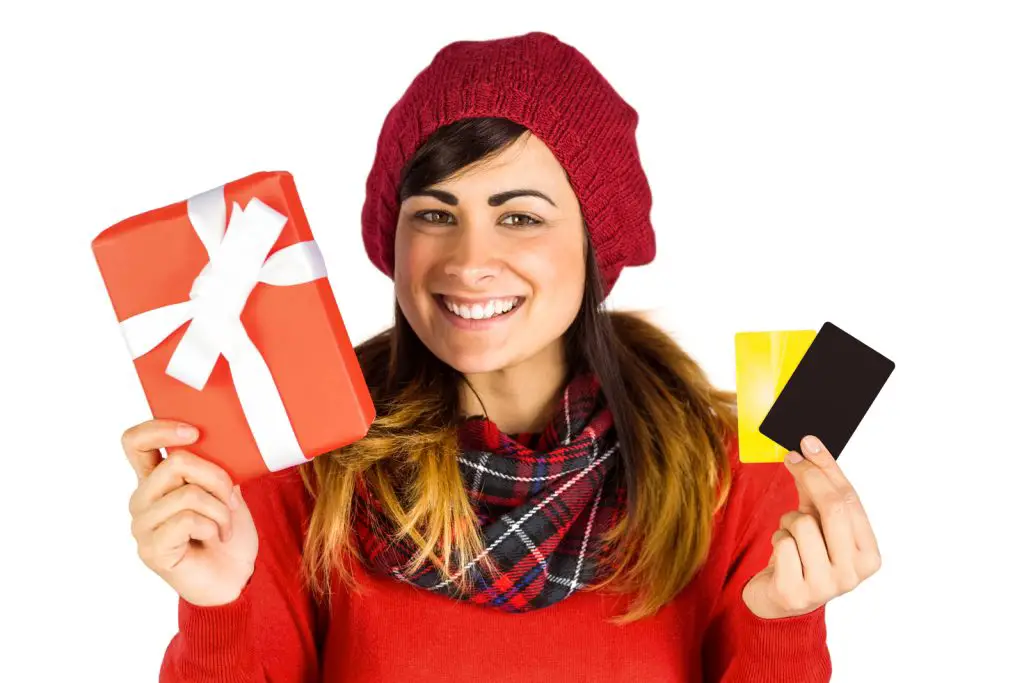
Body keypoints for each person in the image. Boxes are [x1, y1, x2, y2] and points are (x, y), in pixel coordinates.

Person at [122, 31, 880, 682]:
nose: (468, 260)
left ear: (595, 243)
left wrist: (784, 623)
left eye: (519, 215)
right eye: (435, 213)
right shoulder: (297, 463)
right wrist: (216, 606)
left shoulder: (735, 469)